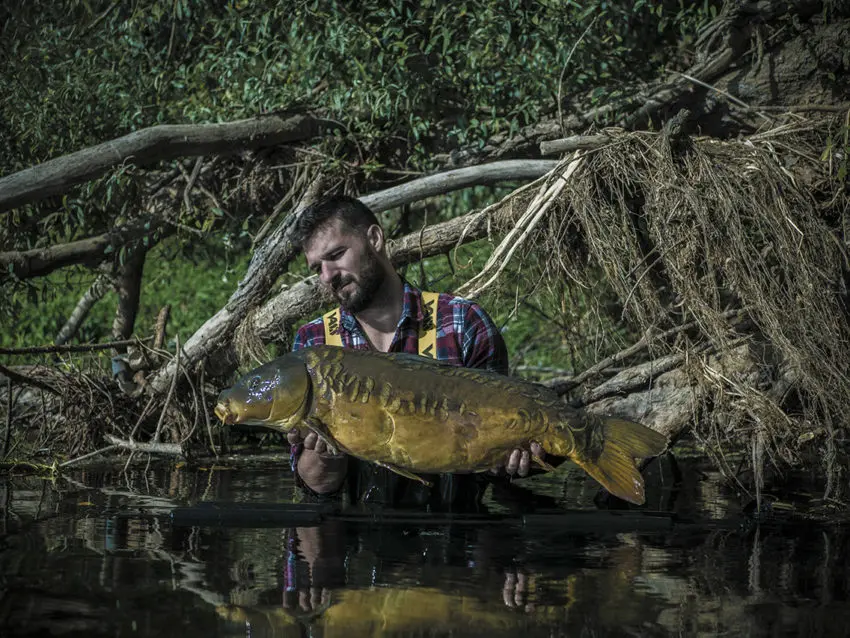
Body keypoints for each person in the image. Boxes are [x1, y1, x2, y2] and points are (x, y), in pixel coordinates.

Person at [286, 194, 545, 508]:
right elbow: (317, 487)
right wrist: (325, 456)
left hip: (454, 537)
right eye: (317, 269)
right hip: (357, 544)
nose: (328, 276)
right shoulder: (313, 345)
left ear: (375, 237)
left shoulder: (463, 322)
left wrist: (511, 456)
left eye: (337, 254)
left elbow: (494, 462)